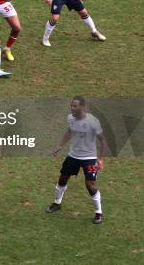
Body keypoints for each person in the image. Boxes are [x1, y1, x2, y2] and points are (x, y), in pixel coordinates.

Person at [46, 96, 108, 224]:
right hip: (73, 156)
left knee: (90, 185)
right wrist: (60, 146)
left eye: (75, 106)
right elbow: (69, 131)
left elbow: (103, 140)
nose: (72, 108)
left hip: (89, 159)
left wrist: (101, 159)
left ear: (83, 107)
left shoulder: (93, 122)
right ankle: (57, 203)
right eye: (71, 105)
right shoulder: (70, 118)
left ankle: (99, 213)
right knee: (62, 179)